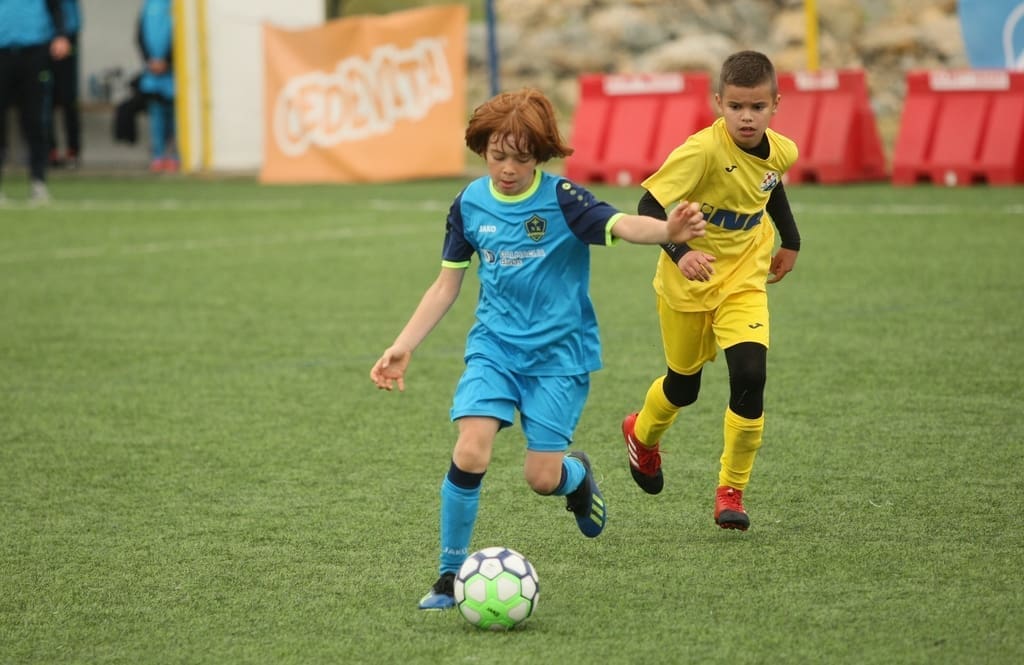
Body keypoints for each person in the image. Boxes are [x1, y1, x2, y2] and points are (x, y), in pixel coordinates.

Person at [369, 88, 707, 610]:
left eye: (522, 158)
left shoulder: (564, 200)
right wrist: (403, 344)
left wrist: (668, 229)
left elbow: (621, 223)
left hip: (558, 358)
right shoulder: (469, 204)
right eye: (497, 156)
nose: (508, 169)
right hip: (495, 349)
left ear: (541, 155)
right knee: (470, 448)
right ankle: (448, 575)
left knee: (541, 478)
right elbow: (446, 284)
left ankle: (577, 477)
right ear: (482, 149)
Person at [620, 50, 801, 532]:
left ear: (775, 104)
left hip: (744, 280)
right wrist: (681, 253)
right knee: (683, 387)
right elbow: (647, 205)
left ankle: (731, 492)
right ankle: (641, 434)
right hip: (687, 283)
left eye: (757, 107)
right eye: (736, 106)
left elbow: (771, 185)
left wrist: (791, 241)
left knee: (750, 374)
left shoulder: (782, 150)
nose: (747, 117)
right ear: (719, 102)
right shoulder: (701, 151)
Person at [0, 0, 71, 204]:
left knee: (35, 119)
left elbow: (56, 8)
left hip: (34, 53)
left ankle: (38, 182)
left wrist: (61, 35)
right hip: (2, 53)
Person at [137, 0, 178, 173]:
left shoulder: (176, 5)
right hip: (153, 71)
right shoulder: (148, 5)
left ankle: (175, 155)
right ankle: (158, 155)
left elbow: (181, 34)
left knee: (175, 116)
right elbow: (139, 36)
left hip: (174, 72)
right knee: (157, 115)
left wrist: (167, 60)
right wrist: (150, 60)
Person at [48, 0, 81, 169]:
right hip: (44, 40)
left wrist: (64, 36)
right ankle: (50, 150)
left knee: (69, 98)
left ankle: (72, 151)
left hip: (68, 38)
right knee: (46, 98)